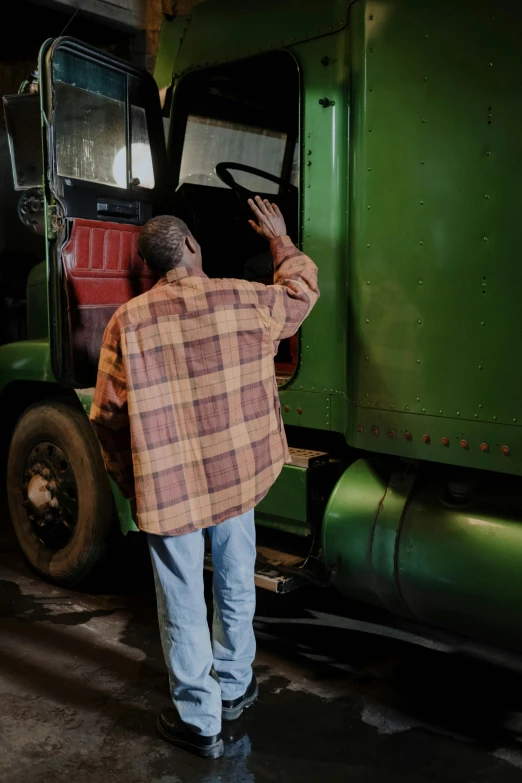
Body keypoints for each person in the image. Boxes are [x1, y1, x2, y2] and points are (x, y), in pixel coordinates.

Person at [89, 196, 319, 760]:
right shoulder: (245, 300)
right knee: (237, 579)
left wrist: (133, 482)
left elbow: (107, 415)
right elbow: (303, 291)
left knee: (182, 599)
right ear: (192, 246)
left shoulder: (128, 321)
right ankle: (236, 688)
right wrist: (280, 241)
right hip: (235, 477)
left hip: (170, 490)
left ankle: (199, 719)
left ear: (152, 265)